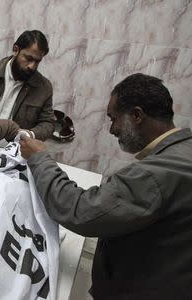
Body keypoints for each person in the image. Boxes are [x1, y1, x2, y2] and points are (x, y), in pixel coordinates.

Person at [20, 73, 192, 299]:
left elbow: (81, 211)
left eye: (113, 119)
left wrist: (40, 158)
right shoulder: (183, 151)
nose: (112, 130)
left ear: (137, 115)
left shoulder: (157, 174)